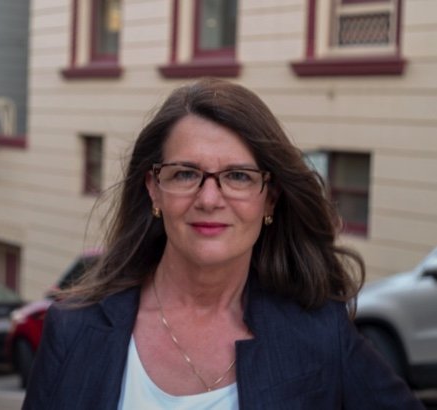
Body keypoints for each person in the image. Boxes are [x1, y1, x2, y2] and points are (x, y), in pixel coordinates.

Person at [23, 78, 424, 410]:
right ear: (154, 189)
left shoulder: (318, 334)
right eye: (184, 174)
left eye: (238, 176)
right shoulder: (74, 330)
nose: (209, 199)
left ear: (270, 197)